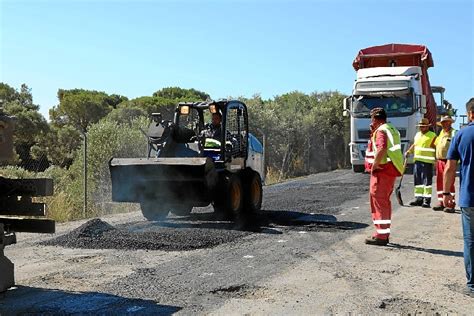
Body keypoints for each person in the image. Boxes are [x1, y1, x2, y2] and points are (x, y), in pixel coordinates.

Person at [443, 97, 474, 297]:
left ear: (470, 113)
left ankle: (473, 286)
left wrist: (446, 193)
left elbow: (449, 168)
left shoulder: (461, 135)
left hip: (469, 198)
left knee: (470, 241)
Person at [364, 108, 404, 246]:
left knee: (379, 201)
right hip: (389, 170)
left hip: (382, 170)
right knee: (383, 201)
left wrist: (374, 165)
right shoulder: (391, 128)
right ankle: (382, 233)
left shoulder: (381, 131)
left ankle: (381, 236)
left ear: (375, 119)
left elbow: (381, 148)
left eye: (372, 119)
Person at [405, 118, 437, 208]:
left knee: (426, 182)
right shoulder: (418, 135)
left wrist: (436, 160)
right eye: (420, 126)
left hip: (427, 162)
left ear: (427, 127)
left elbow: (436, 148)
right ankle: (419, 199)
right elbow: (415, 145)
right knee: (418, 180)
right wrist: (409, 151)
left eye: (423, 126)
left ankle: (427, 201)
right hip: (417, 161)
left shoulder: (432, 135)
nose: (421, 128)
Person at [433, 116, 457, 212]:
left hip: (449, 161)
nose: (444, 124)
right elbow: (436, 144)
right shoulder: (441, 133)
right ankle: (441, 202)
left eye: (446, 122)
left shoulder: (454, 133)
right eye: (443, 123)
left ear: (450, 123)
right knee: (440, 181)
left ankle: (450, 204)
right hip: (440, 161)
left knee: (449, 182)